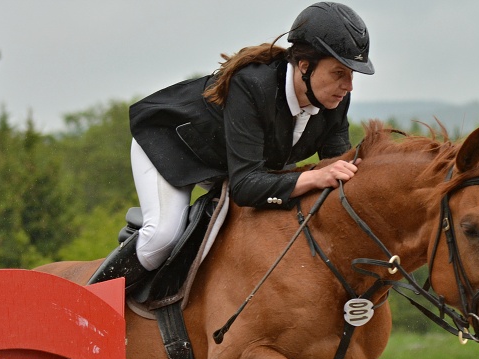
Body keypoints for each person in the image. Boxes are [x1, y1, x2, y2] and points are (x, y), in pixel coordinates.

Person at [88, 2, 374, 288]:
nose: (349, 85)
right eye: (339, 73)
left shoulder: (334, 100)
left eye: (351, 74)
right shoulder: (252, 85)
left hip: (230, 162)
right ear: (304, 66)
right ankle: (93, 298)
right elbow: (245, 186)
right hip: (171, 147)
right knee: (162, 236)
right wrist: (314, 177)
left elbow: (339, 173)